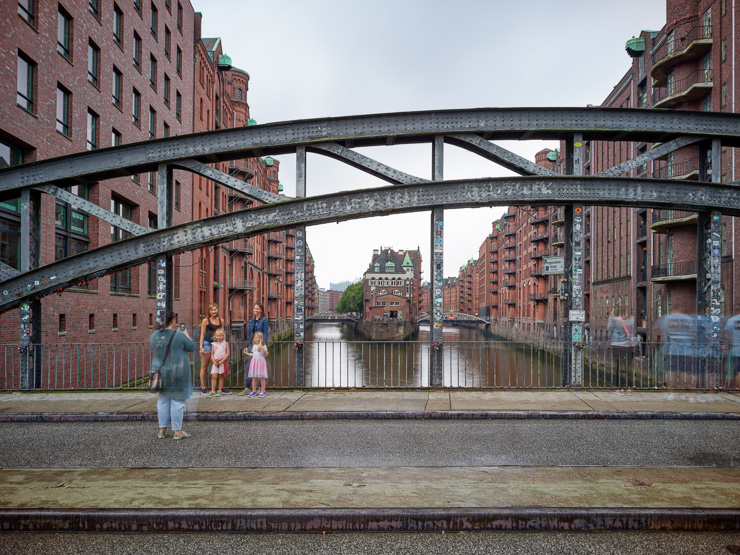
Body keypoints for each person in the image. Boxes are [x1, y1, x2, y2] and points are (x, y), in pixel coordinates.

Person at [151, 312, 196, 440]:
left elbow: (154, 348)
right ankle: (177, 431)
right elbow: (191, 347)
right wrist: (187, 335)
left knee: (163, 401)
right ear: (172, 321)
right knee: (177, 401)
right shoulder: (179, 335)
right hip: (178, 373)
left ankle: (162, 430)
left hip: (161, 373)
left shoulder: (154, 335)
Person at [199, 304, 231, 395]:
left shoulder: (221, 321)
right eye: (212, 310)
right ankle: (204, 387)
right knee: (205, 365)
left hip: (219, 344)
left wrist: (224, 345)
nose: (213, 311)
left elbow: (222, 333)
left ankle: (221, 388)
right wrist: (201, 346)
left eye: (215, 309)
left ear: (217, 310)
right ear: (209, 311)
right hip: (207, 344)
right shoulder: (205, 320)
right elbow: (202, 334)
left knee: (222, 364)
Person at [240, 303, 269, 395]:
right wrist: (246, 346)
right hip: (253, 345)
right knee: (250, 366)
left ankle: (261, 388)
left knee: (260, 368)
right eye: (254, 308)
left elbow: (265, 333)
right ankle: (248, 388)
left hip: (260, 345)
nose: (255, 310)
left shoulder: (264, 320)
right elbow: (250, 335)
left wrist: (262, 344)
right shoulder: (252, 321)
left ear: (261, 310)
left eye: (257, 309)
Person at [206, 328, 229, 397]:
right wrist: (213, 361)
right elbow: (212, 354)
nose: (219, 337)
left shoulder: (225, 343)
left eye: (220, 336)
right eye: (217, 336)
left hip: (222, 362)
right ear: (215, 336)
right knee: (213, 376)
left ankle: (220, 390)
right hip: (215, 362)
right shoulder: (214, 344)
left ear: (223, 336)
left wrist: (222, 361)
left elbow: (227, 353)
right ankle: (213, 390)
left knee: (221, 376)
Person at [246, 331, 268, 397]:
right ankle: (254, 391)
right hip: (254, 362)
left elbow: (266, 354)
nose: (255, 339)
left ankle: (263, 390)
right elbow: (253, 354)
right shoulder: (254, 346)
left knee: (261, 377)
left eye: (257, 338)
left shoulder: (263, 345)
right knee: (254, 377)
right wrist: (247, 353)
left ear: (260, 338)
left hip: (260, 362)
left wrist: (263, 350)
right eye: (254, 338)